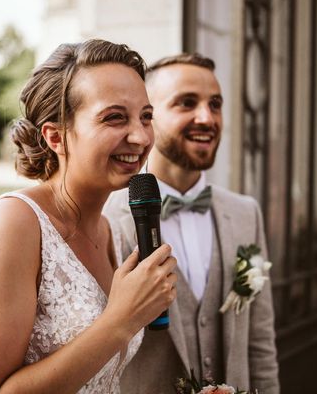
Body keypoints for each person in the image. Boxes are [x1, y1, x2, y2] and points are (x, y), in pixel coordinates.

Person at [0, 39, 178, 394]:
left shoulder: (110, 230)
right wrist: (120, 321)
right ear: (56, 137)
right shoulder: (14, 223)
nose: (140, 136)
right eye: (115, 117)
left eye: (146, 117)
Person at [104, 53, 279, 393]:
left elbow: (260, 341)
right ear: (147, 120)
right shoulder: (107, 219)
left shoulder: (245, 213)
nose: (207, 117)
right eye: (186, 103)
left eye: (215, 105)